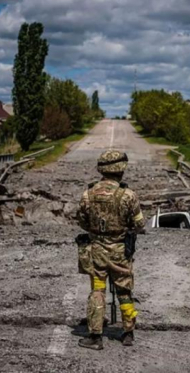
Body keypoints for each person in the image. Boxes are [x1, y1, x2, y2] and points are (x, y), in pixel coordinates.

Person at [76, 150, 145, 350]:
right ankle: (128, 333)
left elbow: (81, 221)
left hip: (96, 250)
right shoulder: (128, 195)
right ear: (121, 169)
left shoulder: (88, 193)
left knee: (97, 289)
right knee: (124, 291)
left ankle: (95, 336)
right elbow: (140, 224)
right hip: (121, 251)